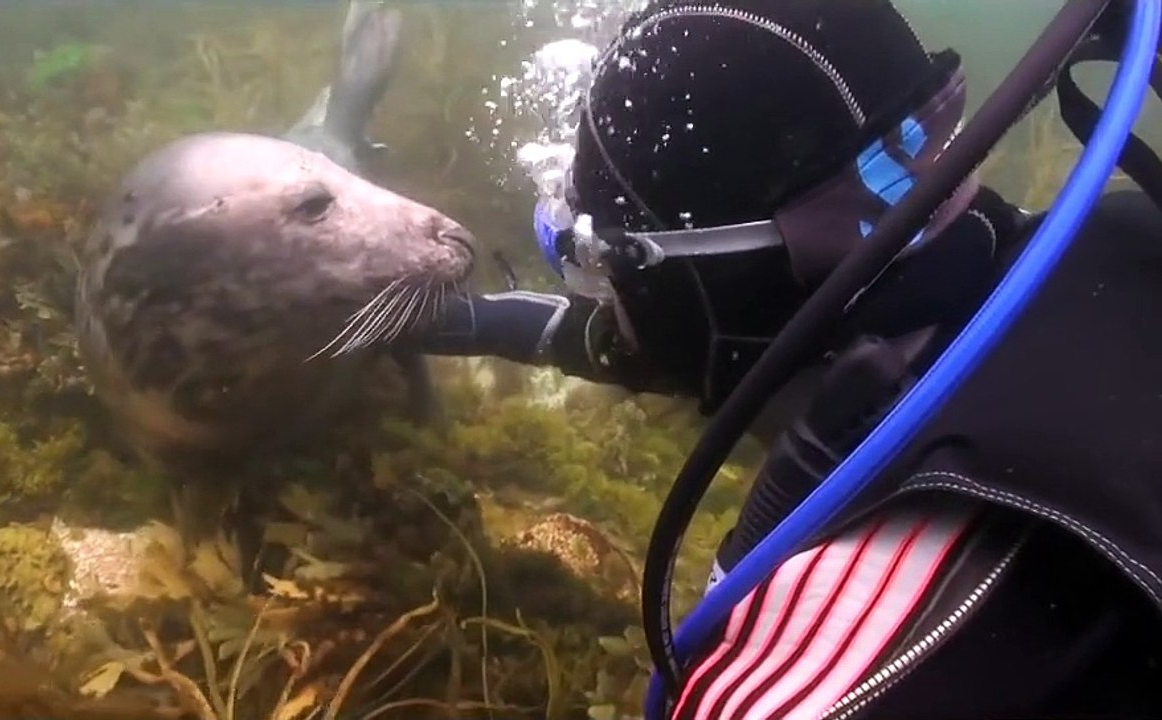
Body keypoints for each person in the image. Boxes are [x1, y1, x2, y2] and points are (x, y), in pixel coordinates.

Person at [406, 1, 1162, 718]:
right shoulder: (1122, 236)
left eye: (593, 267)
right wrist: (473, 325)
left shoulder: (811, 681)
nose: (603, 310)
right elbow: (736, 322)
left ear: (705, 291)